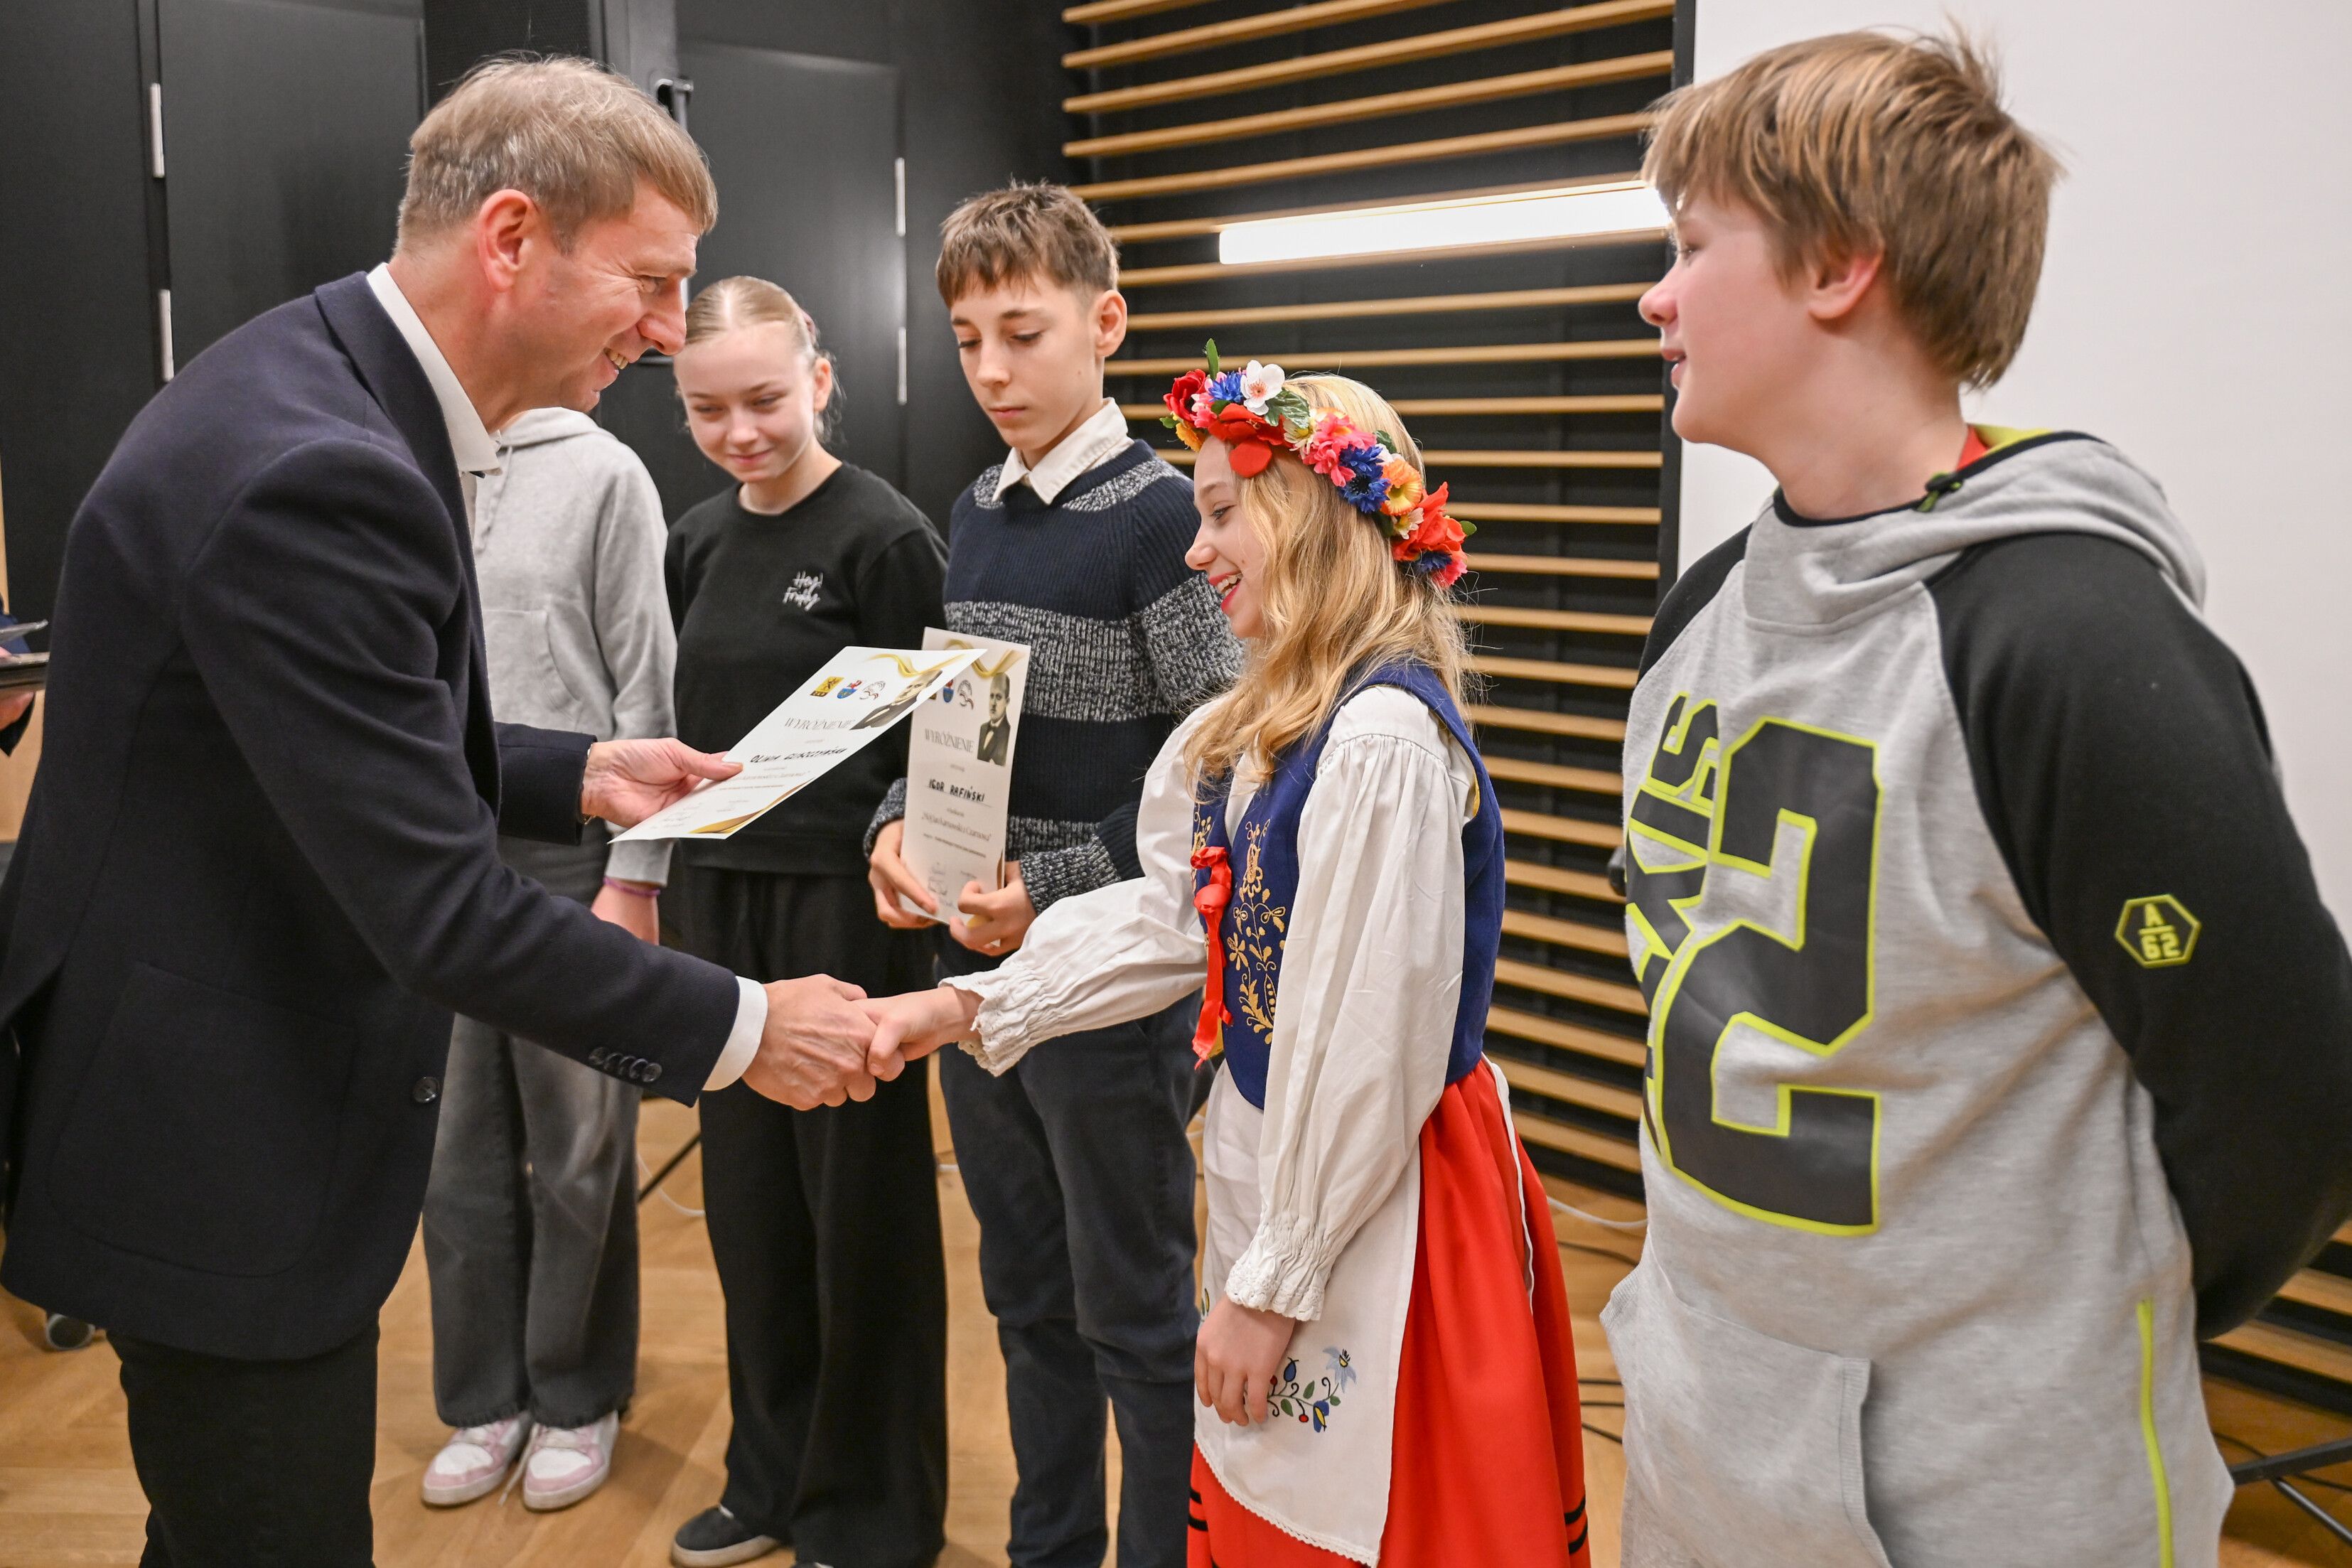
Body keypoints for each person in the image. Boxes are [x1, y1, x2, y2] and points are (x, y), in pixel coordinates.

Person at [0, 59, 881, 1567]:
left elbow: (303, 733)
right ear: (513, 236)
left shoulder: (308, 376)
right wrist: (746, 1026)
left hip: (196, 1105)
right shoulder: (321, 467)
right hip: (217, 1146)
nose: (666, 332)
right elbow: (442, 914)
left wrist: (571, 770)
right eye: (652, 283)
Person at [1607, 33, 2352, 1567]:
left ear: (1839, 265)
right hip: (1702, 1449)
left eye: (1689, 247)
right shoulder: (1699, 613)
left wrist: (2061, 1320)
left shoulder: (2071, 640)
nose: (1653, 299)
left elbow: (2288, 1104)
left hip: (1992, 1499)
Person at [867, 366, 1593, 1567]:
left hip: (1380, 1191)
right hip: (1285, 1165)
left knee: (1355, 1510)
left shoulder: (1378, 740)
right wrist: (965, 1004)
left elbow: (1365, 1045)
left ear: (1308, 516)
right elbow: (1169, 916)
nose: (1195, 548)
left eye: (1218, 513)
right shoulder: (1261, 722)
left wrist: (1272, 1286)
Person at [864, 183, 1240, 1568]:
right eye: (967, 339)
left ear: (1106, 322)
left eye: (1021, 333)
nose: (991, 369)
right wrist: (896, 826)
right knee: (1025, 1301)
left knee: (1135, 1320)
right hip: (976, 978)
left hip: (1109, 998)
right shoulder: (972, 509)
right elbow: (951, 723)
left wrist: (1056, 881)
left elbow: (1218, 777)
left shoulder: (1160, 518)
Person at [663, 276, 950, 1568]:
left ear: (819, 382)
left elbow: (942, 749)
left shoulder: (884, 539)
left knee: (860, 1214)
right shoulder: (693, 541)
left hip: (845, 911)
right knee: (749, 1209)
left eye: (765, 400)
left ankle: (871, 1508)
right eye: (708, 409)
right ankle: (769, 1477)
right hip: (718, 902)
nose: (740, 432)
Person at [417, 406, 680, 1513]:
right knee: (451, 1152)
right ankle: (484, 1395)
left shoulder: (606, 474)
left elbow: (648, 684)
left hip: (570, 851)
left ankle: (576, 1392)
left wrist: (639, 874)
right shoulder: (413, 457)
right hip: (439, 851)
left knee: (576, 1148)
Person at [974, 670, 1011, 766]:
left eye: (998, 697)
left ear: (1007, 701)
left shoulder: (1009, 734)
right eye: (992, 696)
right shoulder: (982, 729)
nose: (993, 703)